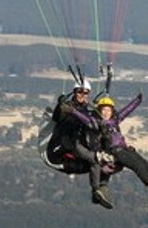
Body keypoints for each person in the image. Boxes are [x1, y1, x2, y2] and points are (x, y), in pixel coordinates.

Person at [68, 94, 148, 201]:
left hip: (124, 149)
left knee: (144, 163)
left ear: (112, 111)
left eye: (108, 110)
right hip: (116, 152)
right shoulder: (97, 123)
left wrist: (137, 101)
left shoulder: (115, 121)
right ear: (99, 111)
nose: (106, 113)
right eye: (104, 110)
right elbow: (85, 119)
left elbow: (126, 111)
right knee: (137, 166)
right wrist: (72, 111)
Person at [46, 80, 115, 209]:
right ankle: (96, 191)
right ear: (74, 92)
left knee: (108, 159)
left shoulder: (88, 109)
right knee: (96, 160)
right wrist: (59, 105)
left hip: (82, 144)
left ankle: (102, 190)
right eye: (80, 92)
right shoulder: (67, 106)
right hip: (68, 146)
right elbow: (57, 117)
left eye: (86, 93)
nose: (82, 95)